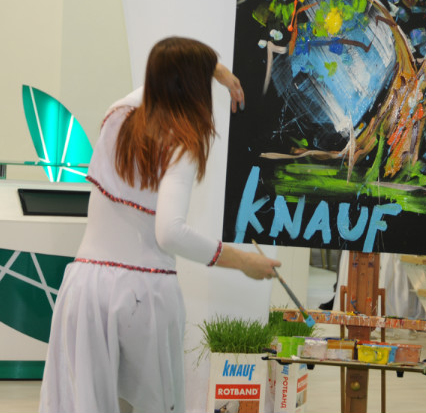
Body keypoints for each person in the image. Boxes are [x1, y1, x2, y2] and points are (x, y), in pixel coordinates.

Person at [39, 37, 281, 413]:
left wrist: (209, 69)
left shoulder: (117, 116)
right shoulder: (180, 143)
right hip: (143, 293)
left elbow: (148, 90)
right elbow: (170, 232)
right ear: (194, 87)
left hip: (85, 287)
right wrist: (242, 261)